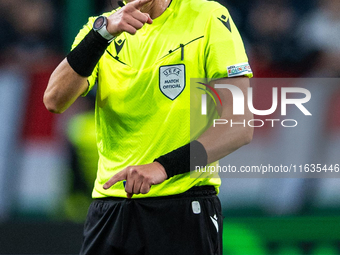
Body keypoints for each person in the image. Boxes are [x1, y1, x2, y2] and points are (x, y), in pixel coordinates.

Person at [44, 0, 253, 254]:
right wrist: (102, 35)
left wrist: (164, 166)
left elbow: (239, 125)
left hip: (184, 205)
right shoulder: (100, 29)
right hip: (111, 210)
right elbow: (54, 100)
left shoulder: (209, 17)